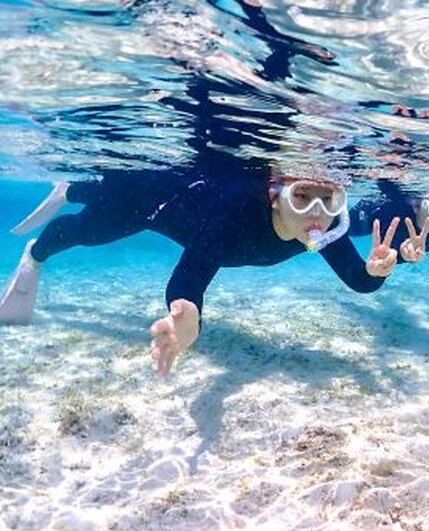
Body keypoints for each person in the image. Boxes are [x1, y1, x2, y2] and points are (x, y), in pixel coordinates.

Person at [0, 155, 401, 375]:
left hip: (174, 194)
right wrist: (187, 311)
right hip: (156, 199)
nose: (316, 212)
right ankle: (38, 249)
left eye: (328, 200)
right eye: (302, 196)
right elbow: (191, 272)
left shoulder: (323, 229)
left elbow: (358, 280)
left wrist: (375, 271)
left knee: (104, 204)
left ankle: (71, 190)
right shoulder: (234, 217)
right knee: (86, 231)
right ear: (275, 195)